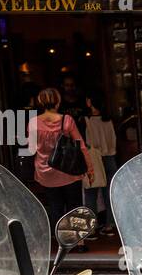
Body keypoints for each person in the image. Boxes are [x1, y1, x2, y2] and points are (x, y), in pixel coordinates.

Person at [28, 85, 94, 231]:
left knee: (55, 206)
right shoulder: (66, 120)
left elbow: (31, 148)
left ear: (41, 102)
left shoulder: (33, 122)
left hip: (46, 173)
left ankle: (61, 242)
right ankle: (78, 241)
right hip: (69, 170)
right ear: (58, 102)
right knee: (74, 205)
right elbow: (80, 145)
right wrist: (89, 168)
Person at [82, 88, 118, 234]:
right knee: (108, 193)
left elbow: (88, 142)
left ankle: (92, 227)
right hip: (110, 158)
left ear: (90, 102)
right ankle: (110, 225)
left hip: (94, 158)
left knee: (91, 192)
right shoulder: (108, 119)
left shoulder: (87, 120)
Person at [59, 70, 87, 139]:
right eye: (67, 85)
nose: (70, 88)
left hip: (82, 138)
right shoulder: (59, 103)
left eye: (72, 85)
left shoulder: (82, 102)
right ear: (62, 86)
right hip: (65, 140)